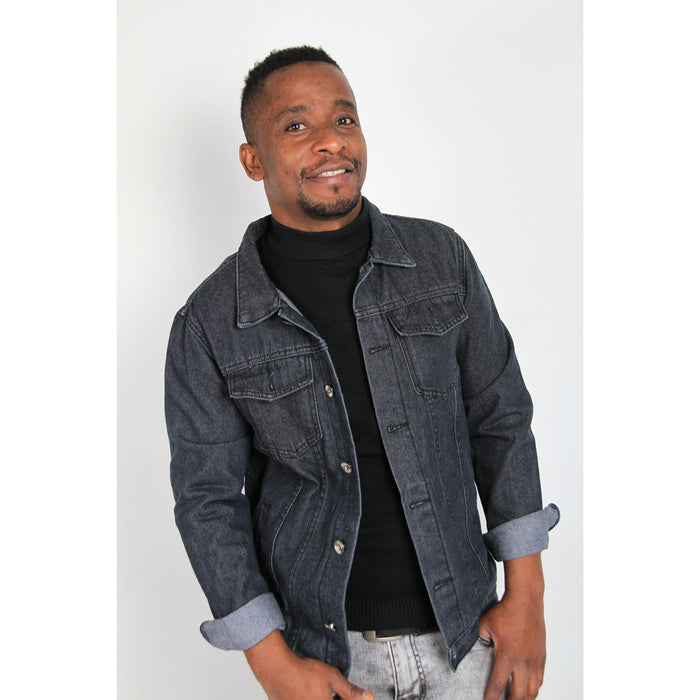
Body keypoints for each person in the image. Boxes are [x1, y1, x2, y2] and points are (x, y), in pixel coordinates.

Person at [165, 45, 559, 700]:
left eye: (344, 119)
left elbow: (501, 420)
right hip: (326, 659)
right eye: (297, 125)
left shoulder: (441, 259)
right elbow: (208, 499)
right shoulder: (210, 321)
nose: (331, 141)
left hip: (469, 638)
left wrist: (529, 597)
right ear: (253, 160)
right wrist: (271, 662)